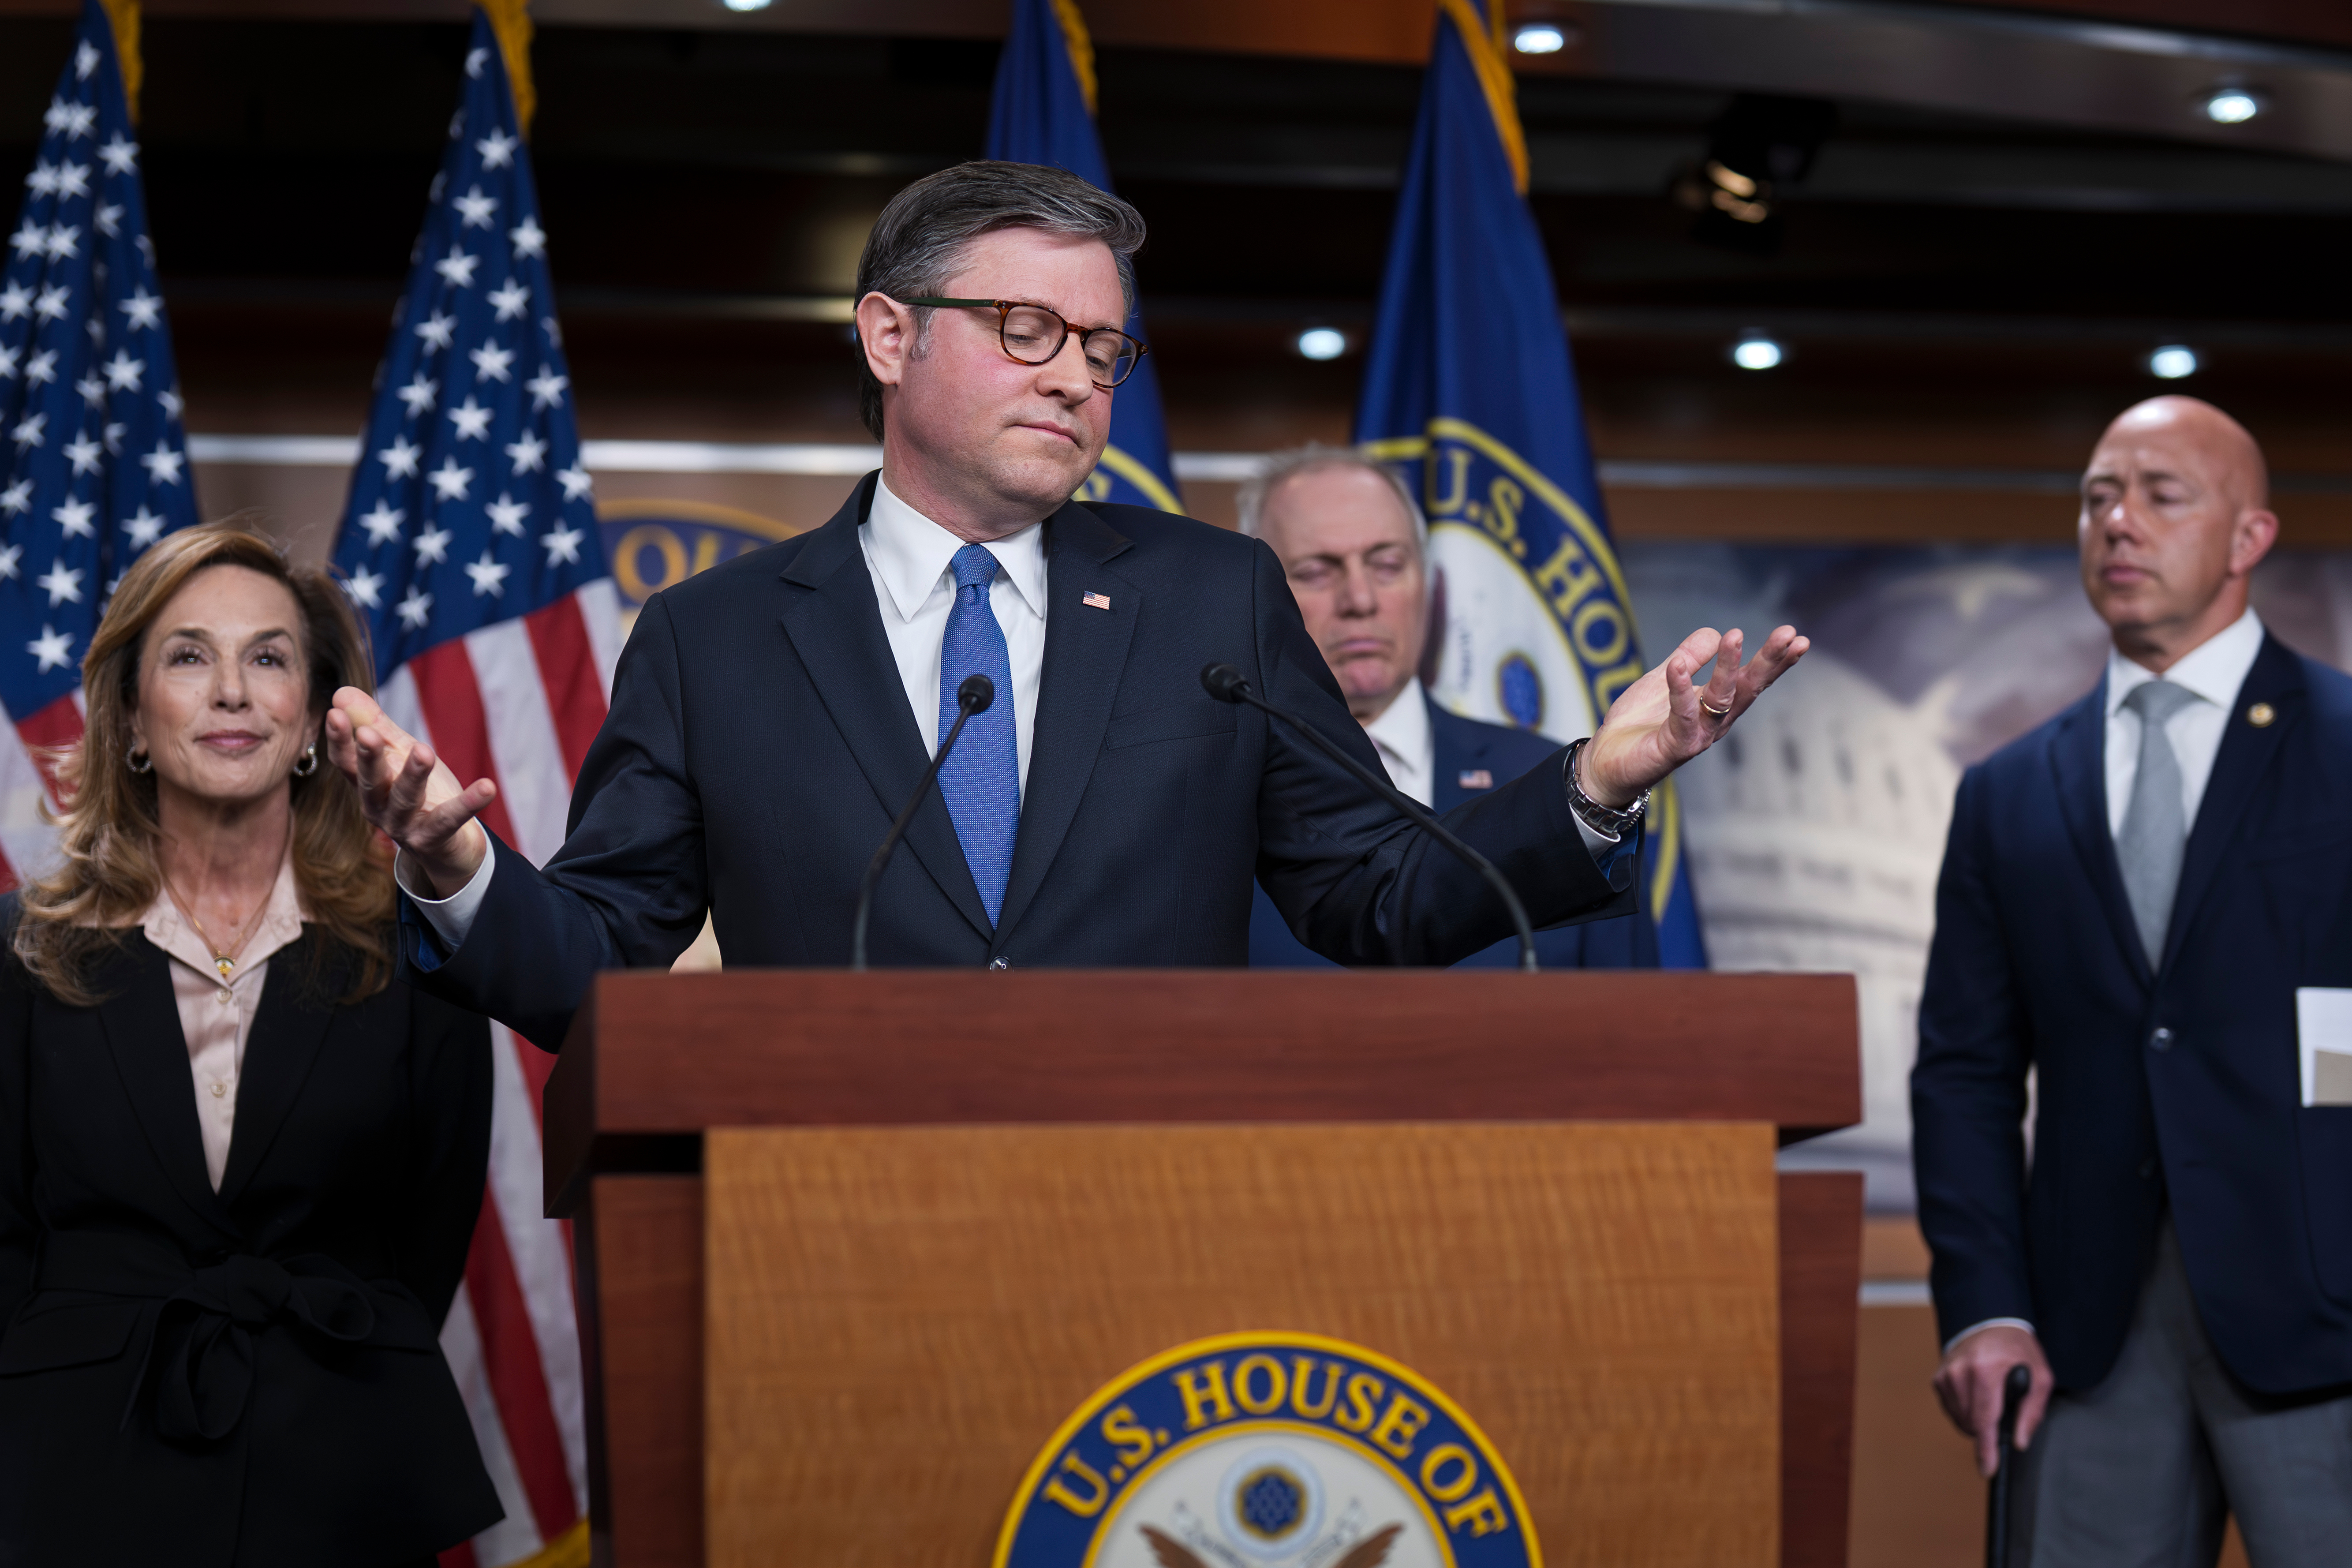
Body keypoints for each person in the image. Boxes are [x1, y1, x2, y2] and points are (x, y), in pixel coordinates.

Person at [324, 161, 1806, 1049]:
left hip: (1158, 1215)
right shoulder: (715, 639)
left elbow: (1376, 894)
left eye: (1103, 348)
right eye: (1026, 328)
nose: (1073, 376)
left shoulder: (1209, 599)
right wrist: (460, 868)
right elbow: (599, 962)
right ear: (890, 336)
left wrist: (1596, 785)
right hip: (829, 1229)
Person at [0, 524, 500, 1567]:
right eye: (188, 654)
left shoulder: (415, 945)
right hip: (76, 1478)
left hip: (345, 1473)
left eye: (267, 655)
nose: (231, 689)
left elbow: (428, 1236)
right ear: (132, 716)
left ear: (314, 716)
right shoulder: (21, 950)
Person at [1913, 396, 2352, 1565]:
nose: (2117, 521)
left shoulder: (2344, 746)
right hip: (2083, 1337)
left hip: (2326, 1326)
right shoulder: (2007, 791)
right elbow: (1961, 1071)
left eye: (2161, 494)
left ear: (2248, 537)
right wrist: (1982, 1302)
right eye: (2098, 494)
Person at [1237, 445, 1656, 969]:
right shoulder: (1210, 792)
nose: (1360, 599)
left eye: (1387, 565)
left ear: (1428, 587)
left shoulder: (1562, 789)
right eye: (1316, 572)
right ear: (1255, 598)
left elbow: (1629, 1017)